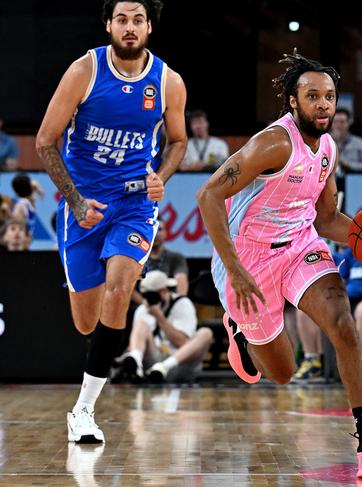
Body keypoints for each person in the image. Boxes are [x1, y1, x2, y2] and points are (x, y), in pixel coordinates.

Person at [196, 50, 362, 480]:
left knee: (343, 323)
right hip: (248, 261)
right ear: (293, 101)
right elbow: (208, 196)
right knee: (281, 374)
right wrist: (234, 269)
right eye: (313, 96)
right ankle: (239, 328)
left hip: (301, 246)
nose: (323, 104)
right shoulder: (273, 144)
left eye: (329, 96)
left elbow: (325, 220)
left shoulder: (328, 150)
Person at [35, 0, 186, 443]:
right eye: (122, 19)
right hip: (83, 205)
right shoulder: (84, 71)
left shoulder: (168, 81)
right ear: (108, 25)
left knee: (120, 294)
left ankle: (83, 410)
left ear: (149, 27)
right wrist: (76, 202)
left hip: (135, 204)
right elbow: (46, 141)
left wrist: (161, 174)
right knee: (87, 321)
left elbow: (177, 142)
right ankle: (90, 378)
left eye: (138, 20)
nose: (130, 27)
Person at [119, 270, 213, 383]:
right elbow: (137, 341)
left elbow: (181, 342)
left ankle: (164, 367)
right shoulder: (143, 309)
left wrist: (159, 317)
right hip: (153, 361)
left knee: (206, 333)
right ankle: (136, 362)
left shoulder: (183, 304)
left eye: (153, 295)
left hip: (179, 362)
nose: (149, 300)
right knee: (140, 324)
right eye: (146, 296)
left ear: (164, 291)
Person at [131, 219, 189, 305]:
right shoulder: (136, 258)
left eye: (159, 229)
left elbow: (181, 286)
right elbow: (130, 289)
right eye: (151, 229)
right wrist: (147, 305)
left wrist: (172, 306)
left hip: (169, 307)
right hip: (142, 309)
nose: (155, 233)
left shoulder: (176, 257)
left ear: (166, 233)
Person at [331, 107, 362, 173]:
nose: (338, 126)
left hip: (351, 180)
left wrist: (349, 165)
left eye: (342, 122)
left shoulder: (358, 142)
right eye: (335, 122)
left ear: (348, 123)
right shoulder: (323, 142)